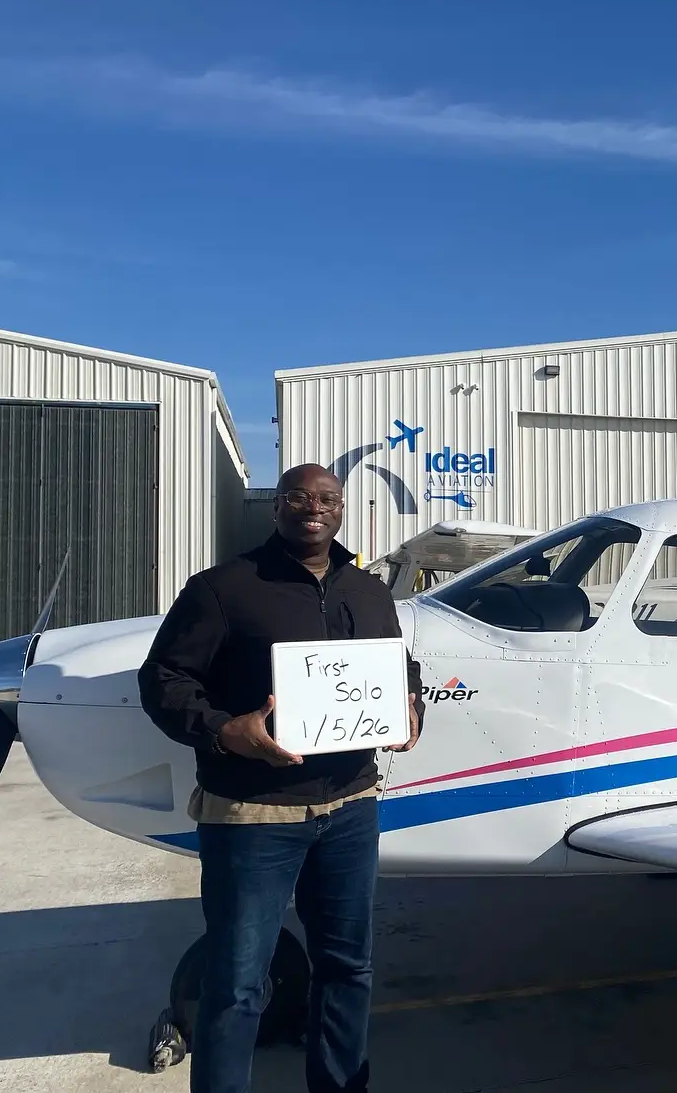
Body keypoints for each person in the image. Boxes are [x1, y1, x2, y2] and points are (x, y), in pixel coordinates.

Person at [138, 463, 424, 1093]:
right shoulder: (222, 588)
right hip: (253, 814)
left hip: (349, 807)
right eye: (298, 496)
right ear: (278, 507)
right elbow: (163, 680)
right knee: (238, 983)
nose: (313, 507)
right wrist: (223, 729)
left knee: (349, 968)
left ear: (342, 509)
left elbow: (400, 671)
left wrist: (410, 707)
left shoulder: (369, 591)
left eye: (326, 498)